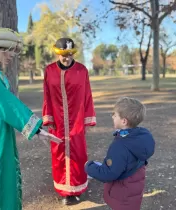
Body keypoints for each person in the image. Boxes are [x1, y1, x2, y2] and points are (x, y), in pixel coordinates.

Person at [0, 27, 61, 210]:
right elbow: (4, 101)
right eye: (9, 50)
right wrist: (35, 128)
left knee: (6, 179)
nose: (12, 55)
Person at [42, 37, 96, 204]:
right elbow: (47, 96)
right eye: (64, 55)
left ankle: (78, 187)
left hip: (77, 120)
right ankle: (65, 192)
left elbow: (87, 95)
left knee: (78, 152)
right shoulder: (49, 71)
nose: (67, 58)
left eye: (71, 54)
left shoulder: (82, 70)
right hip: (57, 121)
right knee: (59, 154)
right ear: (58, 53)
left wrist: (87, 120)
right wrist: (48, 118)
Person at [85, 97, 155, 210]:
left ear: (124, 121)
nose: (112, 116)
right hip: (133, 190)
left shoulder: (120, 146)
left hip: (122, 193)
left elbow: (108, 174)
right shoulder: (141, 136)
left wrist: (89, 167)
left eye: (115, 115)